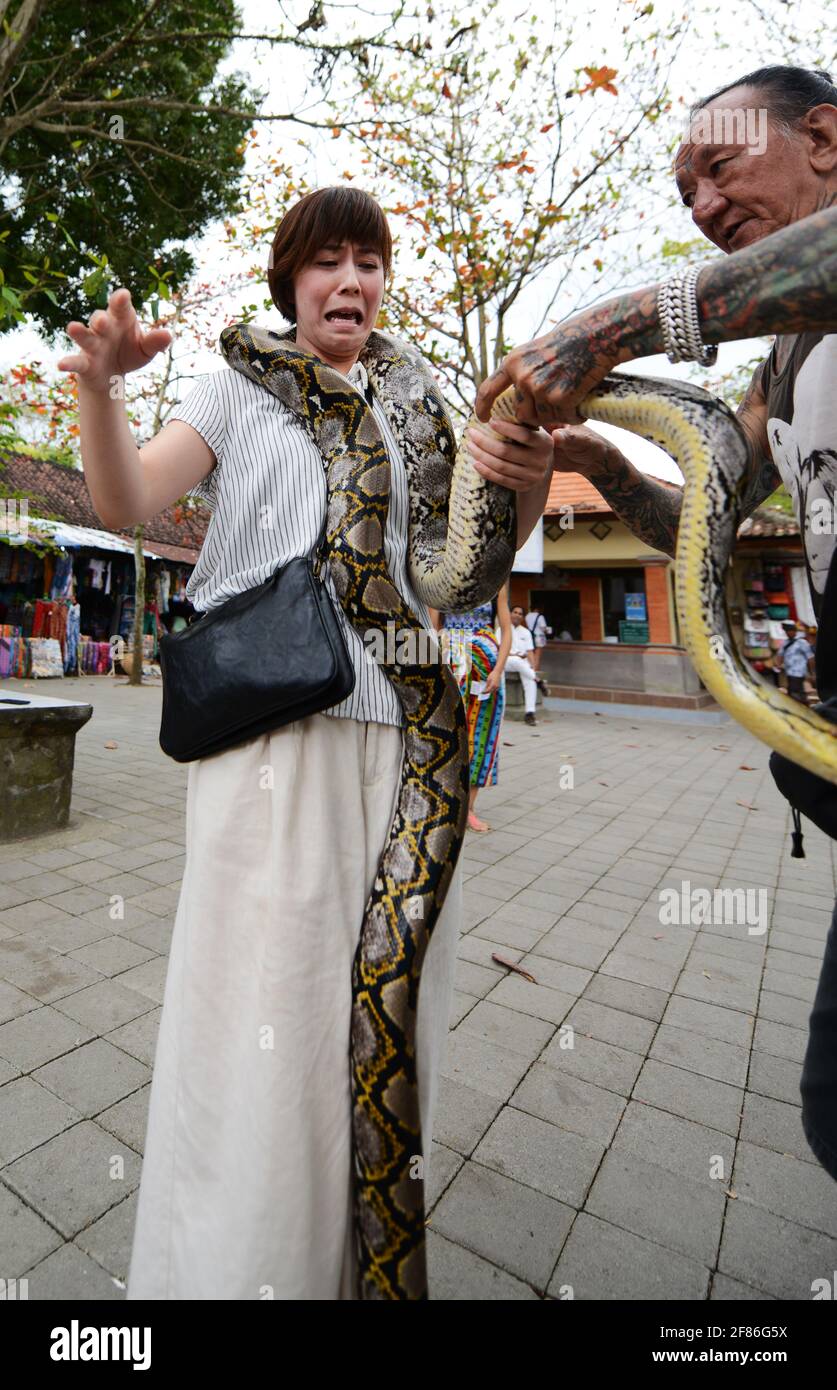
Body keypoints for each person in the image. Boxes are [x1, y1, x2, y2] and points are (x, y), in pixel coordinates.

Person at [57, 186, 556, 1299]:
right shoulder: (240, 383)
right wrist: (100, 392)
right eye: (329, 260)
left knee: (390, 1029)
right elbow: (125, 495)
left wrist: (520, 485)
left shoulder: (421, 394)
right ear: (290, 280)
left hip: (410, 755)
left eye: (370, 262)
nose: (353, 281)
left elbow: (464, 567)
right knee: (263, 1025)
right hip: (272, 745)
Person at [475, 65, 837, 1183]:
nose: (701, 206)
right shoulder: (787, 362)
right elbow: (705, 520)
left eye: (719, 167)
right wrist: (593, 457)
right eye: (683, 193)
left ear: (825, 137)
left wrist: (604, 330)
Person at [428, 586, 513, 833]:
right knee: (446, 732)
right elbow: (432, 628)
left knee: (481, 734)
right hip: (451, 659)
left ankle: (469, 809)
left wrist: (498, 670)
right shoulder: (441, 576)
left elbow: (506, 630)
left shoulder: (496, 580)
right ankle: (444, 801)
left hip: (486, 665)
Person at [508, 603, 540, 725]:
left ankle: (530, 713)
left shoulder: (526, 632)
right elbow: (499, 650)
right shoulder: (502, 629)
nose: (517, 615)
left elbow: (530, 652)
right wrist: (515, 655)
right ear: (511, 614)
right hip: (506, 661)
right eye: (515, 612)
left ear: (522, 617)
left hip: (522, 663)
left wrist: (533, 668)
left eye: (520, 614)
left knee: (530, 680)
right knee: (517, 660)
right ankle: (539, 681)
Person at [778, 620, 816, 702]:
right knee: (797, 692)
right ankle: (804, 704)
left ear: (794, 632)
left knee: (794, 693)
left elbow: (810, 658)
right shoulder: (785, 643)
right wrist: (778, 665)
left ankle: (801, 706)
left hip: (798, 672)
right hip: (789, 672)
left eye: (790, 631)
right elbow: (780, 655)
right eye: (786, 631)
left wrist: (812, 672)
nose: (788, 633)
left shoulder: (802, 643)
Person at [525, 605, 551, 689]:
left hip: (530, 637)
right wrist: (548, 630)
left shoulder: (527, 616)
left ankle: (533, 672)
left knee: (531, 654)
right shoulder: (540, 616)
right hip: (539, 637)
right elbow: (543, 628)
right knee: (537, 656)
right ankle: (535, 674)